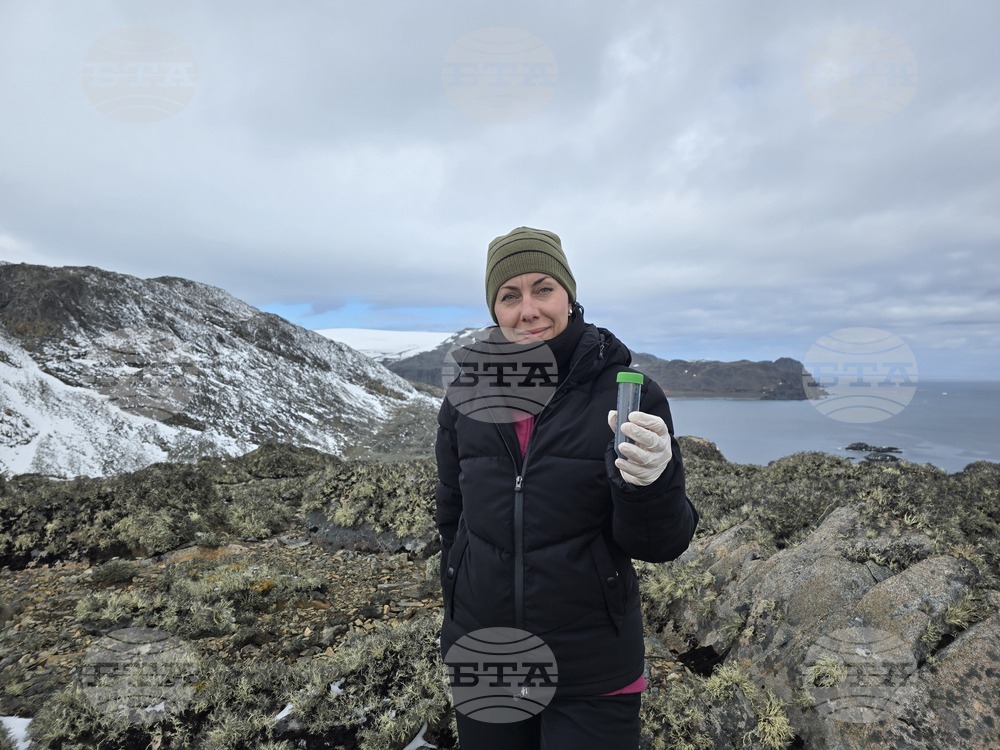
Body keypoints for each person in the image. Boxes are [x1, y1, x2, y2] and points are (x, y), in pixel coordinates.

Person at [435, 226, 698, 750]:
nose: (528, 310)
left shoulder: (630, 393)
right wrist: (458, 600)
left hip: (593, 661)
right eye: (510, 296)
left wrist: (652, 483)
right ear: (494, 310)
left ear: (569, 297)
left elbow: (660, 544)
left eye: (543, 289)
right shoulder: (465, 400)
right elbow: (452, 516)